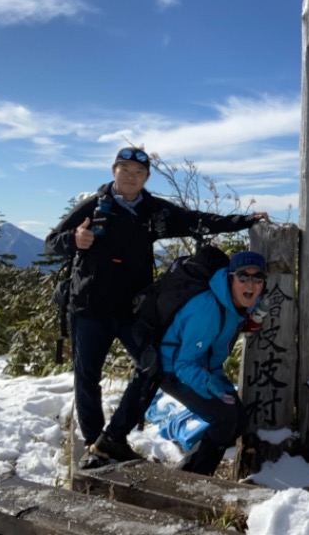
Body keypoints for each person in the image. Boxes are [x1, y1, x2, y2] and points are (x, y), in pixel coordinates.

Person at [44, 146, 269, 468]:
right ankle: (95, 444)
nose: (131, 177)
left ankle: (114, 439)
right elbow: (52, 241)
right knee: (87, 378)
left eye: (138, 173)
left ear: (146, 177)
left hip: (132, 311)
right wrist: (74, 240)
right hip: (89, 308)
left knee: (152, 368)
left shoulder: (152, 210)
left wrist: (243, 221)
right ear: (114, 171)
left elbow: (197, 221)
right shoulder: (94, 207)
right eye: (125, 170)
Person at [159, 250, 267, 476]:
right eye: (243, 277)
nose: (251, 283)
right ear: (230, 278)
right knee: (224, 419)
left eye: (258, 278)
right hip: (172, 370)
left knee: (238, 422)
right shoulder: (208, 310)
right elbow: (183, 364)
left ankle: (188, 471)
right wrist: (209, 383)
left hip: (204, 368)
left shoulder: (235, 305)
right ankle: (198, 479)